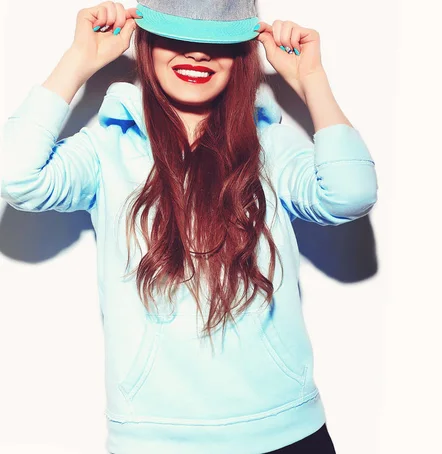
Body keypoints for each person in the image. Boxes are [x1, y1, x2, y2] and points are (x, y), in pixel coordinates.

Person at [0, 0, 378, 452]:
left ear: (241, 53)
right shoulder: (106, 146)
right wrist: (77, 61)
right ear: (148, 41)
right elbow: (16, 177)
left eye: (216, 42)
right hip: (156, 439)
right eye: (178, 37)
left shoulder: (269, 146)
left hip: (286, 429)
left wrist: (312, 82)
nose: (198, 54)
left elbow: (351, 194)